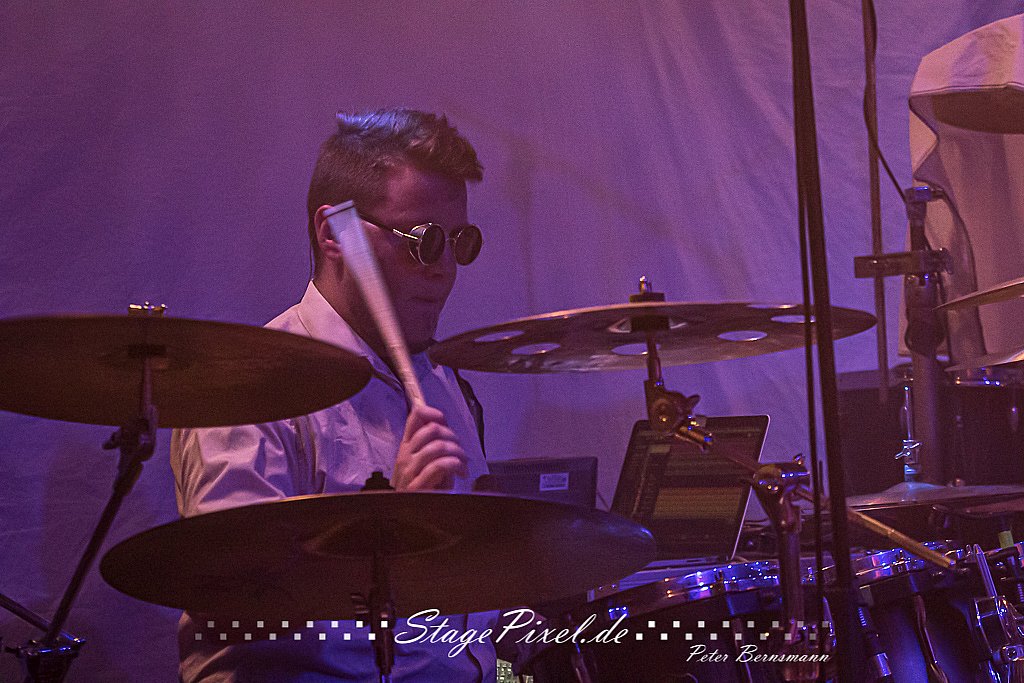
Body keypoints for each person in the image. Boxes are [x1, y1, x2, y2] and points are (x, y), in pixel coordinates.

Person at [170, 109, 497, 682]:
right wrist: (389, 528)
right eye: (423, 240)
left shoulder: (446, 385)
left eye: (459, 242)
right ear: (334, 233)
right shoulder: (245, 391)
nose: (444, 269)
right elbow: (237, 598)